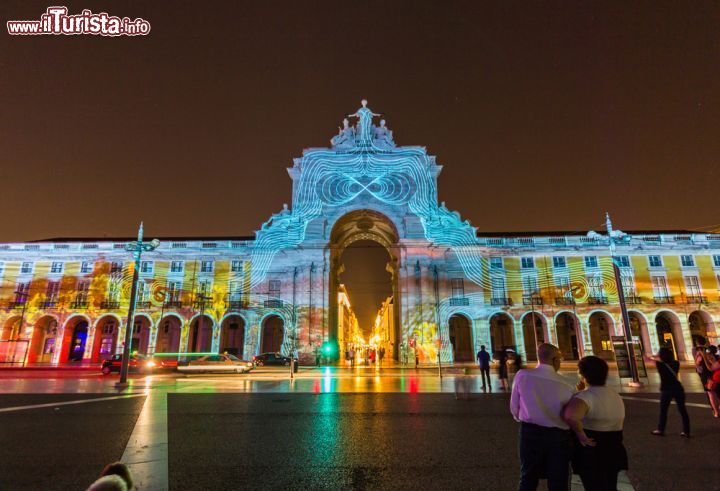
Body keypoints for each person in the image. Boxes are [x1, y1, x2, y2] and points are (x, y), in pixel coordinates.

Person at [510, 343, 575, 491]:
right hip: (558, 436)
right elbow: (571, 414)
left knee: (528, 477)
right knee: (558, 479)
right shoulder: (567, 384)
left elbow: (514, 408)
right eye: (559, 358)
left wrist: (524, 417)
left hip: (530, 433)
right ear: (554, 359)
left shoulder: (523, 375)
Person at [563, 356, 628, 491]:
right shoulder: (614, 394)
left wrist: (581, 435)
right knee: (610, 484)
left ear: (582, 374)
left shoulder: (584, 397)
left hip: (593, 450)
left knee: (593, 486)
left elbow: (570, 416)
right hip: (614, 446)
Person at [647, 347, 690, 437]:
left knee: (664, 411)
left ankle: (661, 429)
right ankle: (686, 431)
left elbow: (649, 358)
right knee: (682, 410)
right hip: (678, 388)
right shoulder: (676, 363)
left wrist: (656, 356)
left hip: (666, 389)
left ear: (661, 355)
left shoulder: (660, 364)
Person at [694, 345, 719, 417]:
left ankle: (716, 412)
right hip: (716, 376)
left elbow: (697, 365)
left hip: (707, 377)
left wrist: (698, 356)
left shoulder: (701, 357)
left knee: (711, 394)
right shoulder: (717, 357)